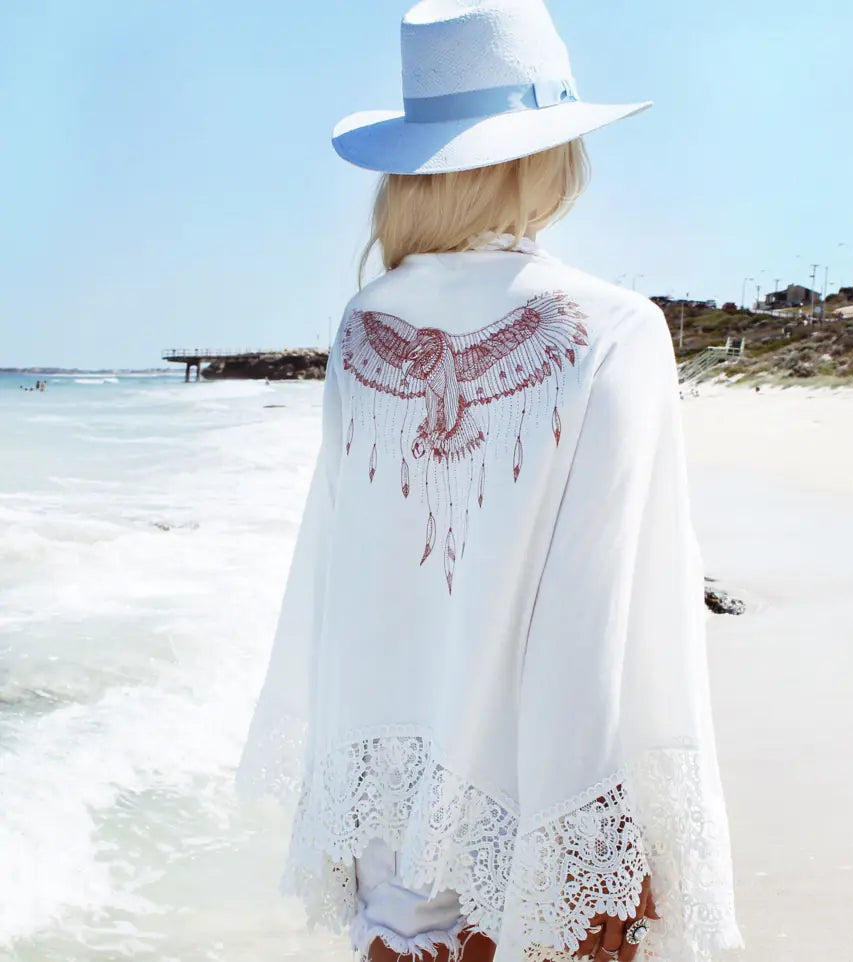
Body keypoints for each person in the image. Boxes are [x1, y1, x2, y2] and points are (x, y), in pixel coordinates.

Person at [237, 3, 741, 961]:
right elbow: (607, 600)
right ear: (544, 156)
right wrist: (605, 841)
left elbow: (351, 588)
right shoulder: (617, 328)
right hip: (541, 810)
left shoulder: (362, 326)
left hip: (393, 820)